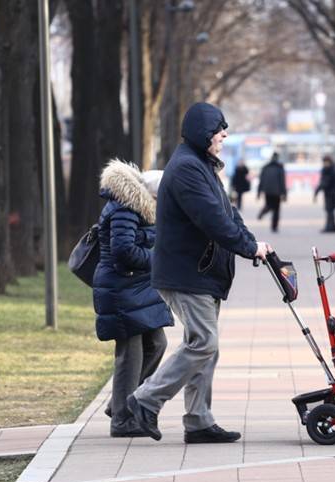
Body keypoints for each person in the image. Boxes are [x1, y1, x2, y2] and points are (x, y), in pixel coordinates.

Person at [126, 101, 273, 444]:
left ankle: (198, 420)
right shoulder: (188, 169)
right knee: (204, 342)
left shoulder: (201, 165)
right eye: (218, 129)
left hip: (200, 272)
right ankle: (145, 401)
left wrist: (252, 243)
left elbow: (227, 211)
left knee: (205, 345)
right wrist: (247, 247)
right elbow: (211, 219)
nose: (224, 134)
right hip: (186, 272)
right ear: (201, 133)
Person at [93, 159, 174, 437]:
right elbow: (123, 251)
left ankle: (121, 403)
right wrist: (160, 259)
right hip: (120, 287)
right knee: (130, 353)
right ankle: (122, 421)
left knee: (157, 344)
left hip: (136, 288)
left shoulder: (143, 209)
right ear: (152, 194)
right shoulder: (126, 208)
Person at [256, 152, 287, 232]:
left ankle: (263, 212)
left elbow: (261, 180)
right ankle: (274, 227)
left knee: (269, 205)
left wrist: (259, 192)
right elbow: (282, 181)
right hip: (277, 192)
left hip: (267, 191)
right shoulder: (280, 167)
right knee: (276, 210)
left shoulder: (265, 167)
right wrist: (284, 194)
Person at [313, 155, 335, 233]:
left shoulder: (329, 170)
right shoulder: (332, 169)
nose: (325, 164)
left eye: (326, 162)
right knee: (330, 211)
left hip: (331, 194)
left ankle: (330, 227)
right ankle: (333, 226)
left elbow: (324, 183)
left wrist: (317, 191)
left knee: (330, 210)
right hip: (331, 193)